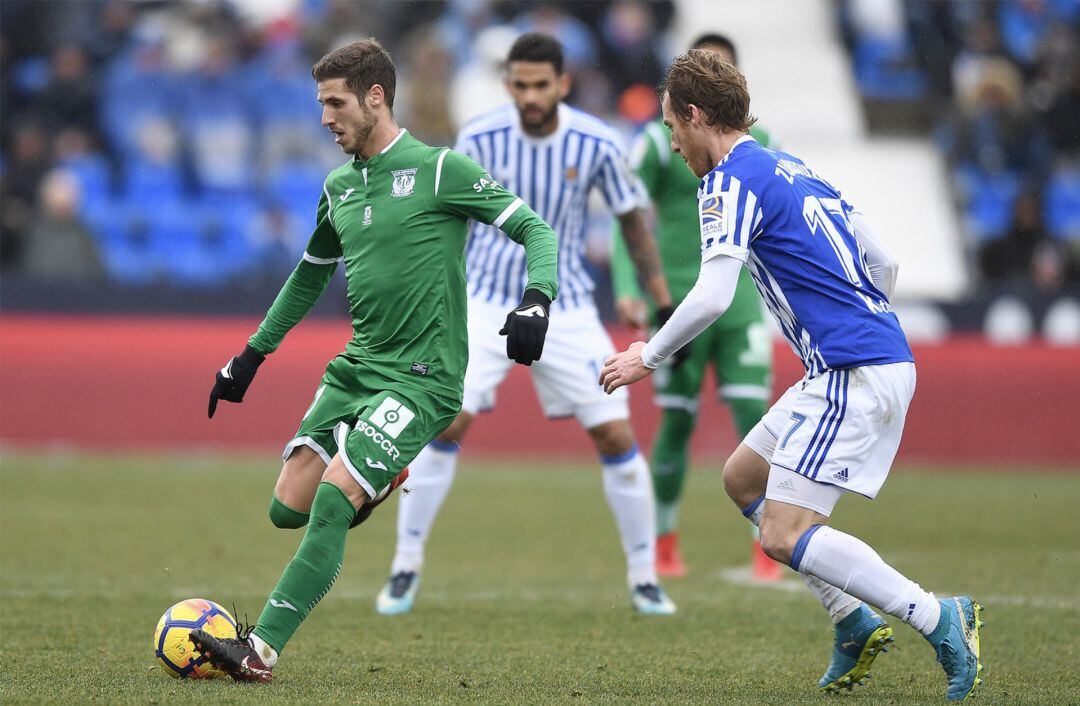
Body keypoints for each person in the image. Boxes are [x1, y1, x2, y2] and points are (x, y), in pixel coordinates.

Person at [599, 50, 984, 701]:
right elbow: (882, 261)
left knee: (782, 532)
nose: (671, 142)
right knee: (743, 476)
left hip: (852, 369)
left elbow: (714, 293)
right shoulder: (790, 164)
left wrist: (648, 355)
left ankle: (937, 614)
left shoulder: (725, 181)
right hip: (861, 357)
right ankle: (852, 621)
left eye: (671, 127)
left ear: (695, 115)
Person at [189, 39, 559, 683]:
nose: (325, 117)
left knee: (333, 501)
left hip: (423, 380)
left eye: (335, 103)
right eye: (321, 104)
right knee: (286, 506)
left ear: (376, 97)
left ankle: (261, 649)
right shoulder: (338, 186)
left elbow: (536, 229)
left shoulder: (441, 169)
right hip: (356, 370)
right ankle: (382, 473)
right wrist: (250, 357)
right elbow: (308, 276)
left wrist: (536, 300)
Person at [376, 33, 677, 617]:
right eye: (521, 84)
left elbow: (632, 222)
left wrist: (658, 299)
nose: (531, 95)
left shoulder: (597, 141)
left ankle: (644, 577)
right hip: (486, 301)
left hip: (565, 307)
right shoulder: (480, 137)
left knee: (615, 435)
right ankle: (405, 565)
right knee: (445, 421)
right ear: (508, 83)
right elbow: (450, 223)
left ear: (563, 84)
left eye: (543, 84)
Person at [611, 33, 775, 578]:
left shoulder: (761, 146)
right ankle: (663, 543)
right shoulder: (660, 146)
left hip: (741, 302)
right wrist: (629, 283)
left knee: (756, 421)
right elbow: (628, 213)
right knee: (677, 424)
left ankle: (768, 544)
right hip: (678, 299)